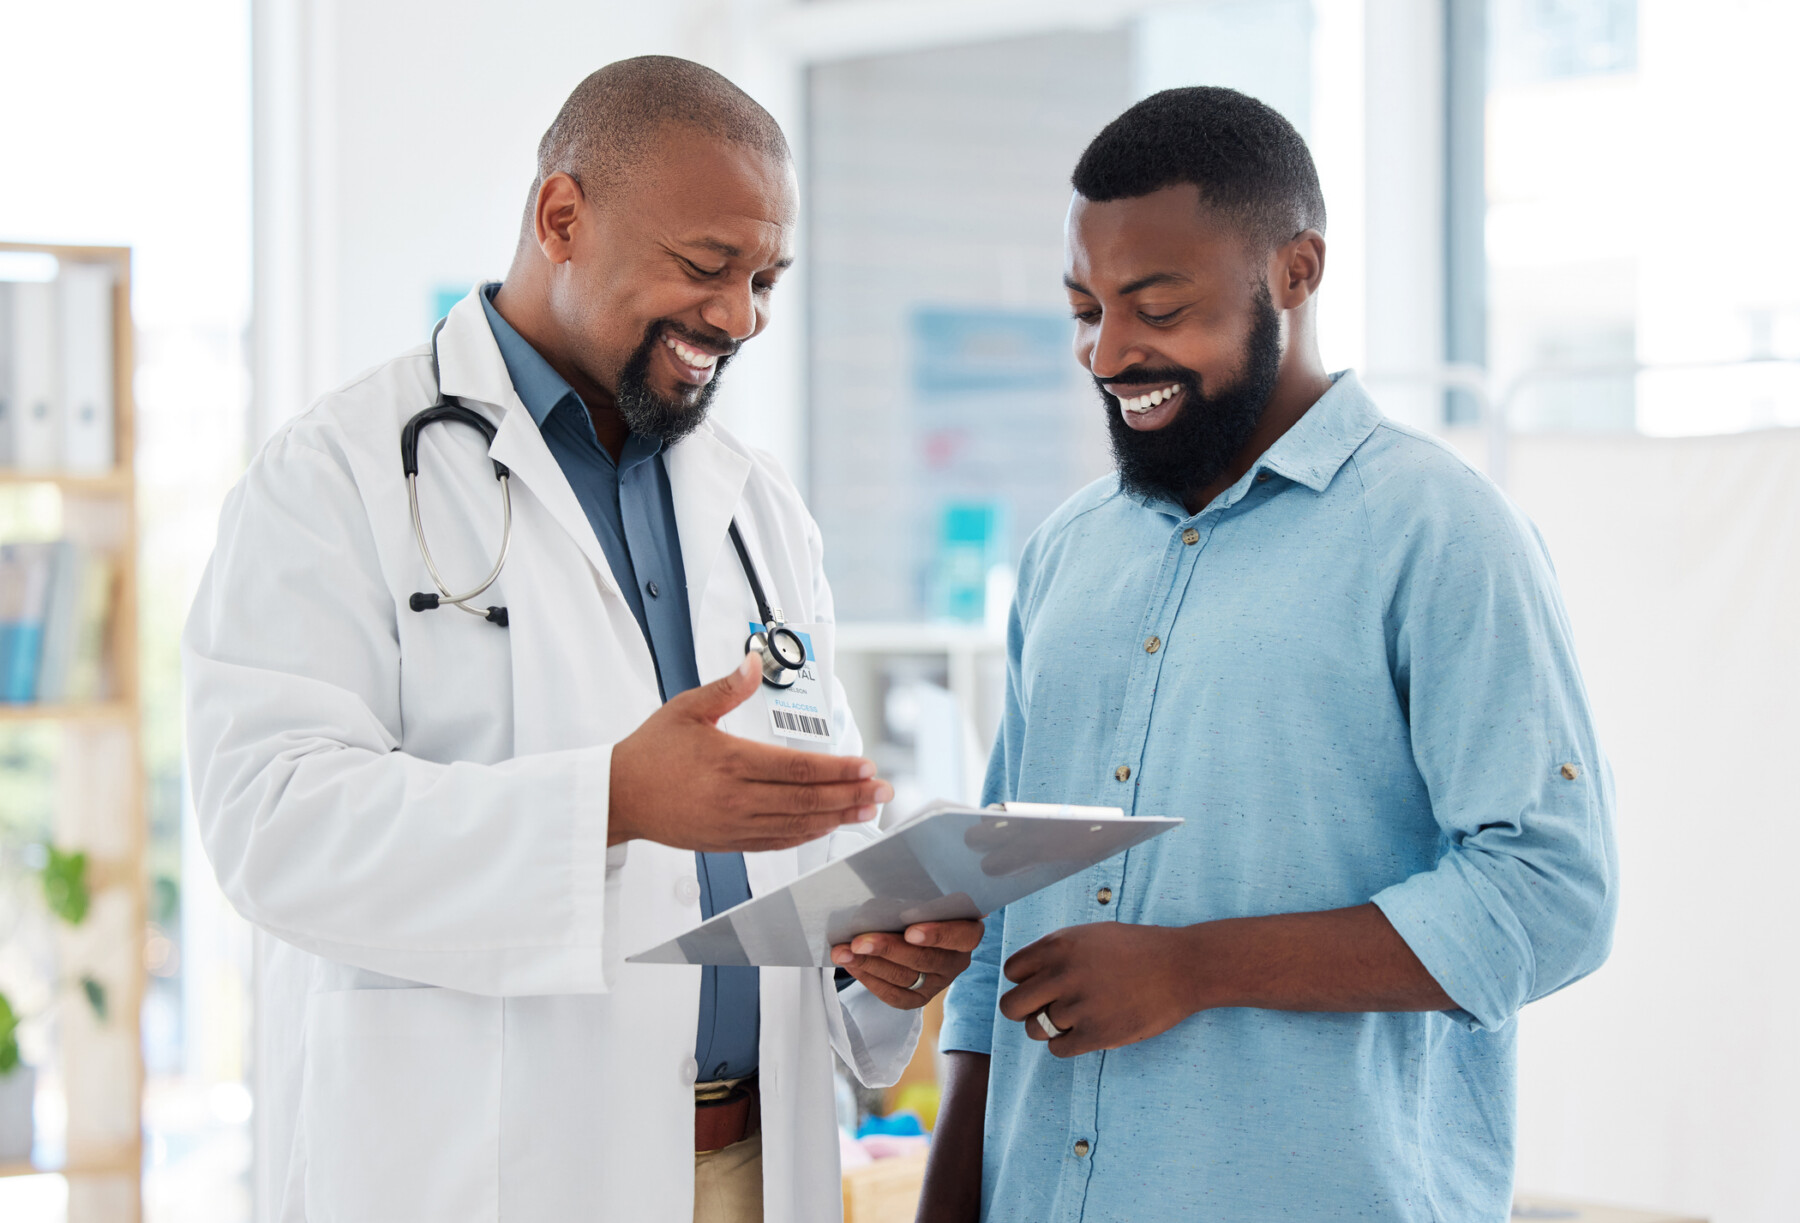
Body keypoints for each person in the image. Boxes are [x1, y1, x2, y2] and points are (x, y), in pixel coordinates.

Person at [184, 56, 980, 1223]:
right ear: (562, 217)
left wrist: (875, 958)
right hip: (487, 1168)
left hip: (755, 1164)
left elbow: (806, 834)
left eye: (766, 278)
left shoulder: (757, 508)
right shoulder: (335, 473)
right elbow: (271, 821)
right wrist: (608, 800)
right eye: (708, 266)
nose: (741, 315)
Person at [918, 86, 1618, 1223]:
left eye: (1157, 304)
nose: (1109, 351)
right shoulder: (1064, 554)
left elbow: (1552, 894)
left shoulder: (1440, 531)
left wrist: (1195, 966)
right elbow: (1007, 910)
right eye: (1085, 308)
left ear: (1296, 270)